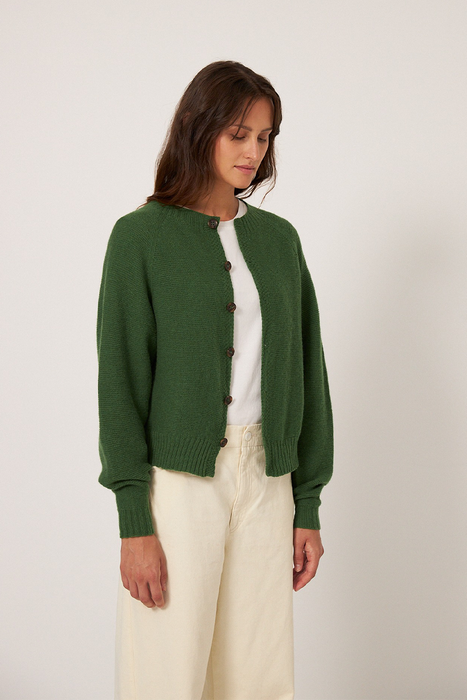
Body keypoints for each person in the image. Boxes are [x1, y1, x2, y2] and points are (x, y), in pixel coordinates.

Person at [96, 59, 334, 700]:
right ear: (198, 130)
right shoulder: (140, 238)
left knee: (257, 675)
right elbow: (120, 383)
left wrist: (307, 505)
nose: (254, 151)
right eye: (239, 134)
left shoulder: (279, 241)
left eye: (264, 136)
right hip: (179, 486)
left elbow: (308, 373)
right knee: (166, 672)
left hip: (267, 479)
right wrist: (134, 522)